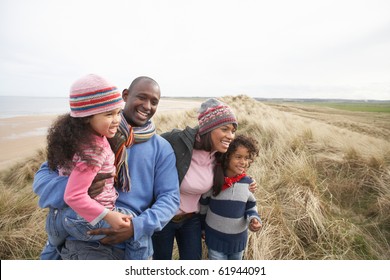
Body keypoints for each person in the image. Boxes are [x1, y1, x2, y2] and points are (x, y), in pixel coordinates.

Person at [33, 76, 180, 260]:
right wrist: (77, 187)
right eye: (141, 97)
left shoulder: (161, 148)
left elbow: (170, 198)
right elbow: (43, 176)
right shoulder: (87, 136)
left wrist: (136, 226)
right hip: (83, 237)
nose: (147, 106)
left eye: (154, 102)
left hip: (128, 238)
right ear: (125, 95)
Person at [43, 73, 144, 260]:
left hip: (70, 216)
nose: (116, 120)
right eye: (108, 114)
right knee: (139, 229)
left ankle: (53, 245)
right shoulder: (94, 150)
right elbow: (73, 195)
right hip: (85, 218)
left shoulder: (78, 139)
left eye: (118, 112)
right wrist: (108, 216)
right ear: (86, 117)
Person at [152, 98, 256, 260]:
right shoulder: (177, 141)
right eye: (225, 129)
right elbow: (148, 152)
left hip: (191, 219)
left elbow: (235, 169)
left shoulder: (221, 154)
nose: (230, 136)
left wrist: (246, 180)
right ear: (208, 128)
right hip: (163, 217)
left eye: (233, 131)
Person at [199, 134, 262, 260]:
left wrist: (254, 219)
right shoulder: (214, 180)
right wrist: (202, 228)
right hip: (215, 240)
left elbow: (250, 206)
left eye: (247, 158)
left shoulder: (247, 183)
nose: (243, 162)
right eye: (238, 157)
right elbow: (204, 207)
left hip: (237, 242)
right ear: (226, 157)